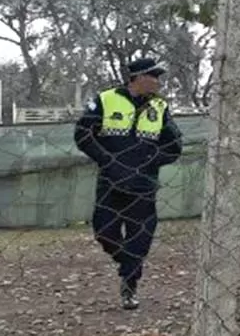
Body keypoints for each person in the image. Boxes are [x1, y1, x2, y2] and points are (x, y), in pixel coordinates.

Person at [74, 57, 183, 310]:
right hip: (111, 183)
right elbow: (82, 135)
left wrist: (150, 159)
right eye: (153, 76)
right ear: (137, 78)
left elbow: (174, 147)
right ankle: (128, 263)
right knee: (104, 233)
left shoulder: (160, 108)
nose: (158, 82)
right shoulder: (106, 99)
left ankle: (129, 285)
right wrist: (107, 160)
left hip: (144, 186)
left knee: (140, 238)